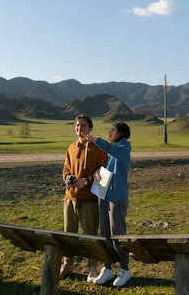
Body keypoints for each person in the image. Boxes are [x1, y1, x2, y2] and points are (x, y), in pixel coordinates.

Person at [60, 114, 108, 281]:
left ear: (90, 128)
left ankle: (93, 266)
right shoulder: (71, 148)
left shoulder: (97, 149)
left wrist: (86, 181)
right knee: (69, 233)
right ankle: (67, 263)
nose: (80, 128)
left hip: (88, 199)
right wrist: (69, 179)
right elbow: (66, 168)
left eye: (83, 125)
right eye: (77, 125)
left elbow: (102, 172)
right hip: (70, 198)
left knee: (90, 234)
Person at [86, 121, 132, 287]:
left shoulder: (123, 148)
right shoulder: (113, 151)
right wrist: (99, 173)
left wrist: (96, 140)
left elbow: (111, 150)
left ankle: (125, 269)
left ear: (120, 133)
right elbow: (110, 170)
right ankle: (107, 267)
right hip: (105, 196)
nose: (109, 132)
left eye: (112, 130)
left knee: (117, 233)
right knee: (105, 232)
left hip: (117, 198)